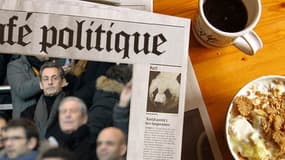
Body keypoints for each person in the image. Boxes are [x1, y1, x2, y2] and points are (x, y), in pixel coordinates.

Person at [33, 61, 67, 139]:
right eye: (45, 79)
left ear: (63, 82)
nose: (50, 82)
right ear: (41, 84)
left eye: (54, 78)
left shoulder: (72, 109)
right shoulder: (28, 113)